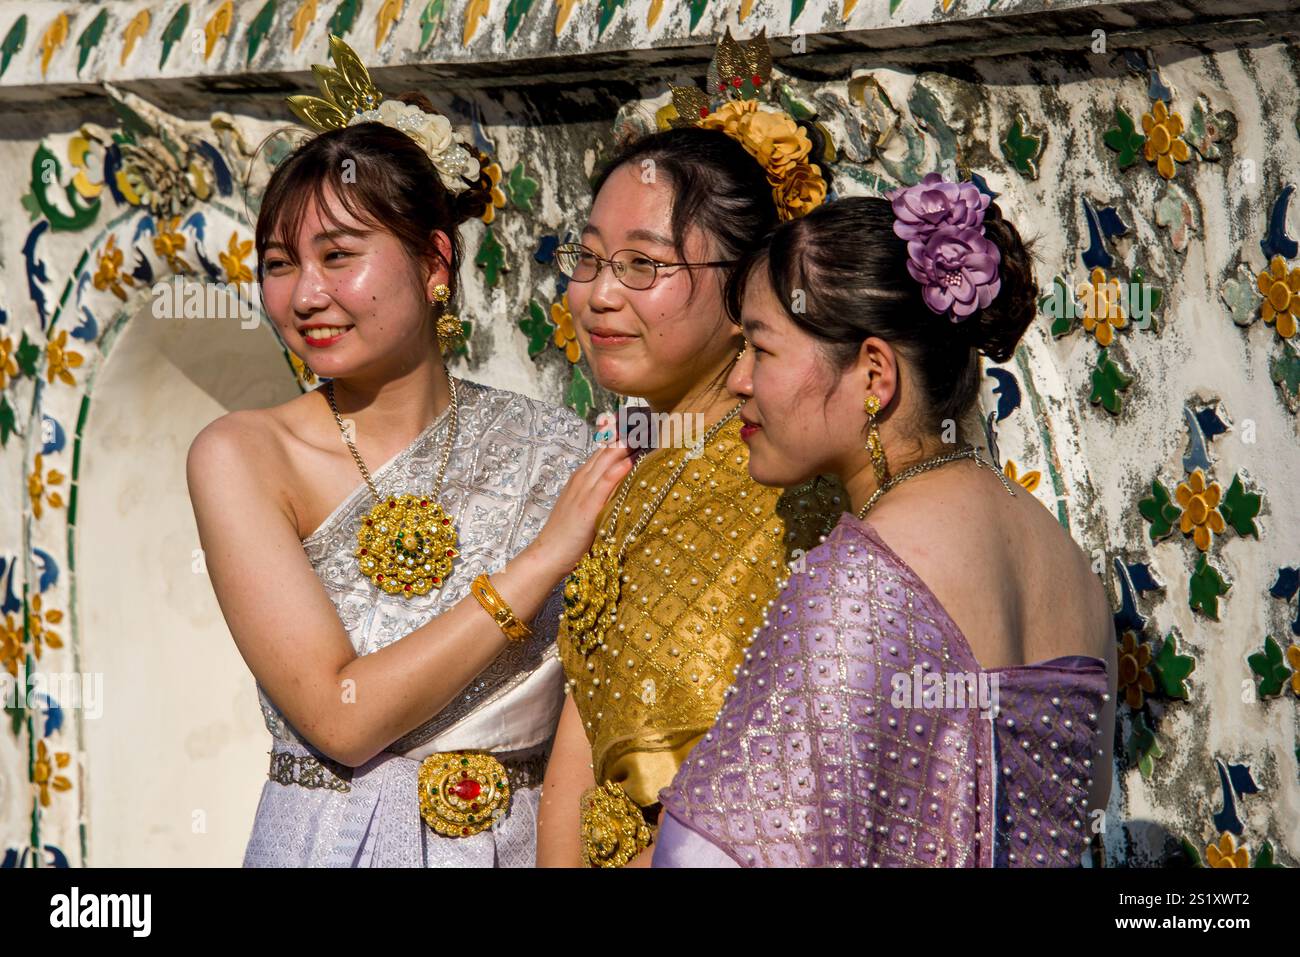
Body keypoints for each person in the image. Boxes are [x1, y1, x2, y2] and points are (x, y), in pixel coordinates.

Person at [186, 35, 633, 867]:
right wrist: (539, 566)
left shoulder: (553, 446)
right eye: (280, 264)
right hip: (336, 842)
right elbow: (341, 717)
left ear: (434, 262)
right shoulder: (244, 455)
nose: (306, 295)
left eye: (339, 256)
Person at [652, 179, 1118, 867]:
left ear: (874, 373)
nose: (739, 380)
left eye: (761, 348)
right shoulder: (1068, 564)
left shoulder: (860, 581)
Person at [536, 58, 845, 868]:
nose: (599, 294)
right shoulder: (624, 466)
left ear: (746, 282)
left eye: (644, 265)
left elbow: (801, 780)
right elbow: (581, 728)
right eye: (590, 258)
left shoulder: (788, 490)